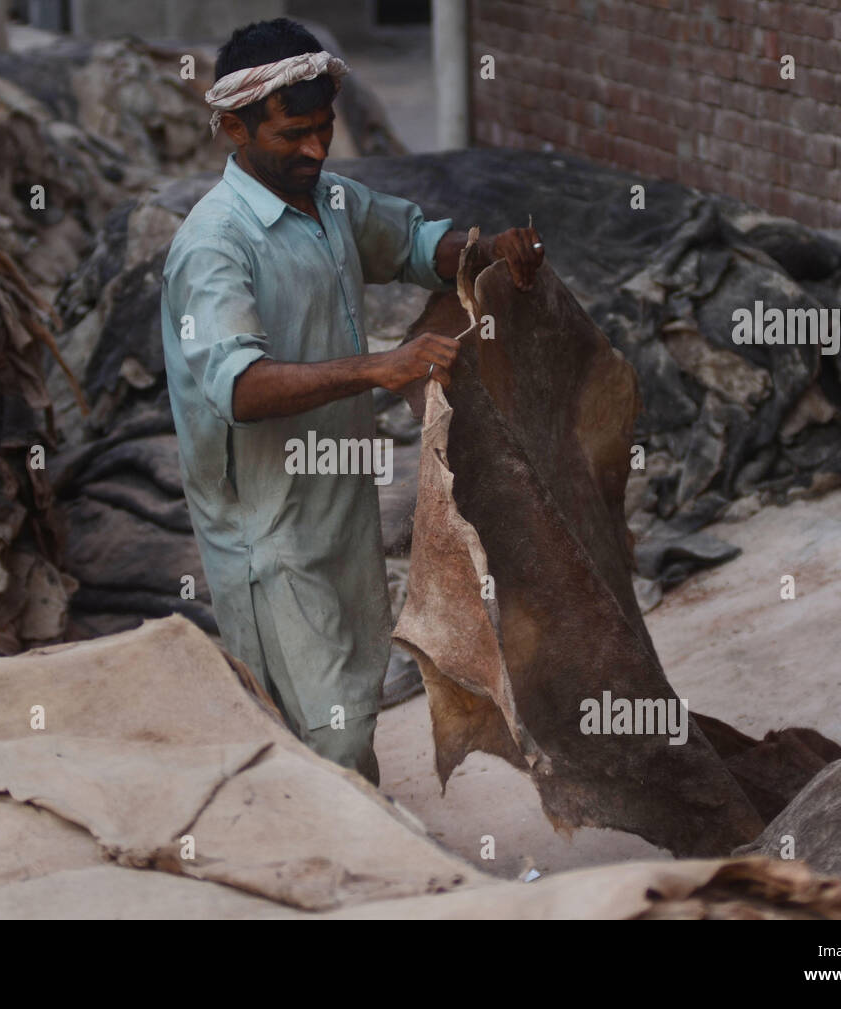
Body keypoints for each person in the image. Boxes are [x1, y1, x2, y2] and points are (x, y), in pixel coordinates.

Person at [161, 18, 543, 786]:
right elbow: (238, 387)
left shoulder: (327, 199)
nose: (315, 149)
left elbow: (409, 242)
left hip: (338, 507)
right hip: (266, 535)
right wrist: (382, 367)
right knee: (322, 735)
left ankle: (346, 857)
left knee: (349, 706)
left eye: (325, 129)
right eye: (293, 133)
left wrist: (483, 252)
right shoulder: (214, 245)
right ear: (233, 127)